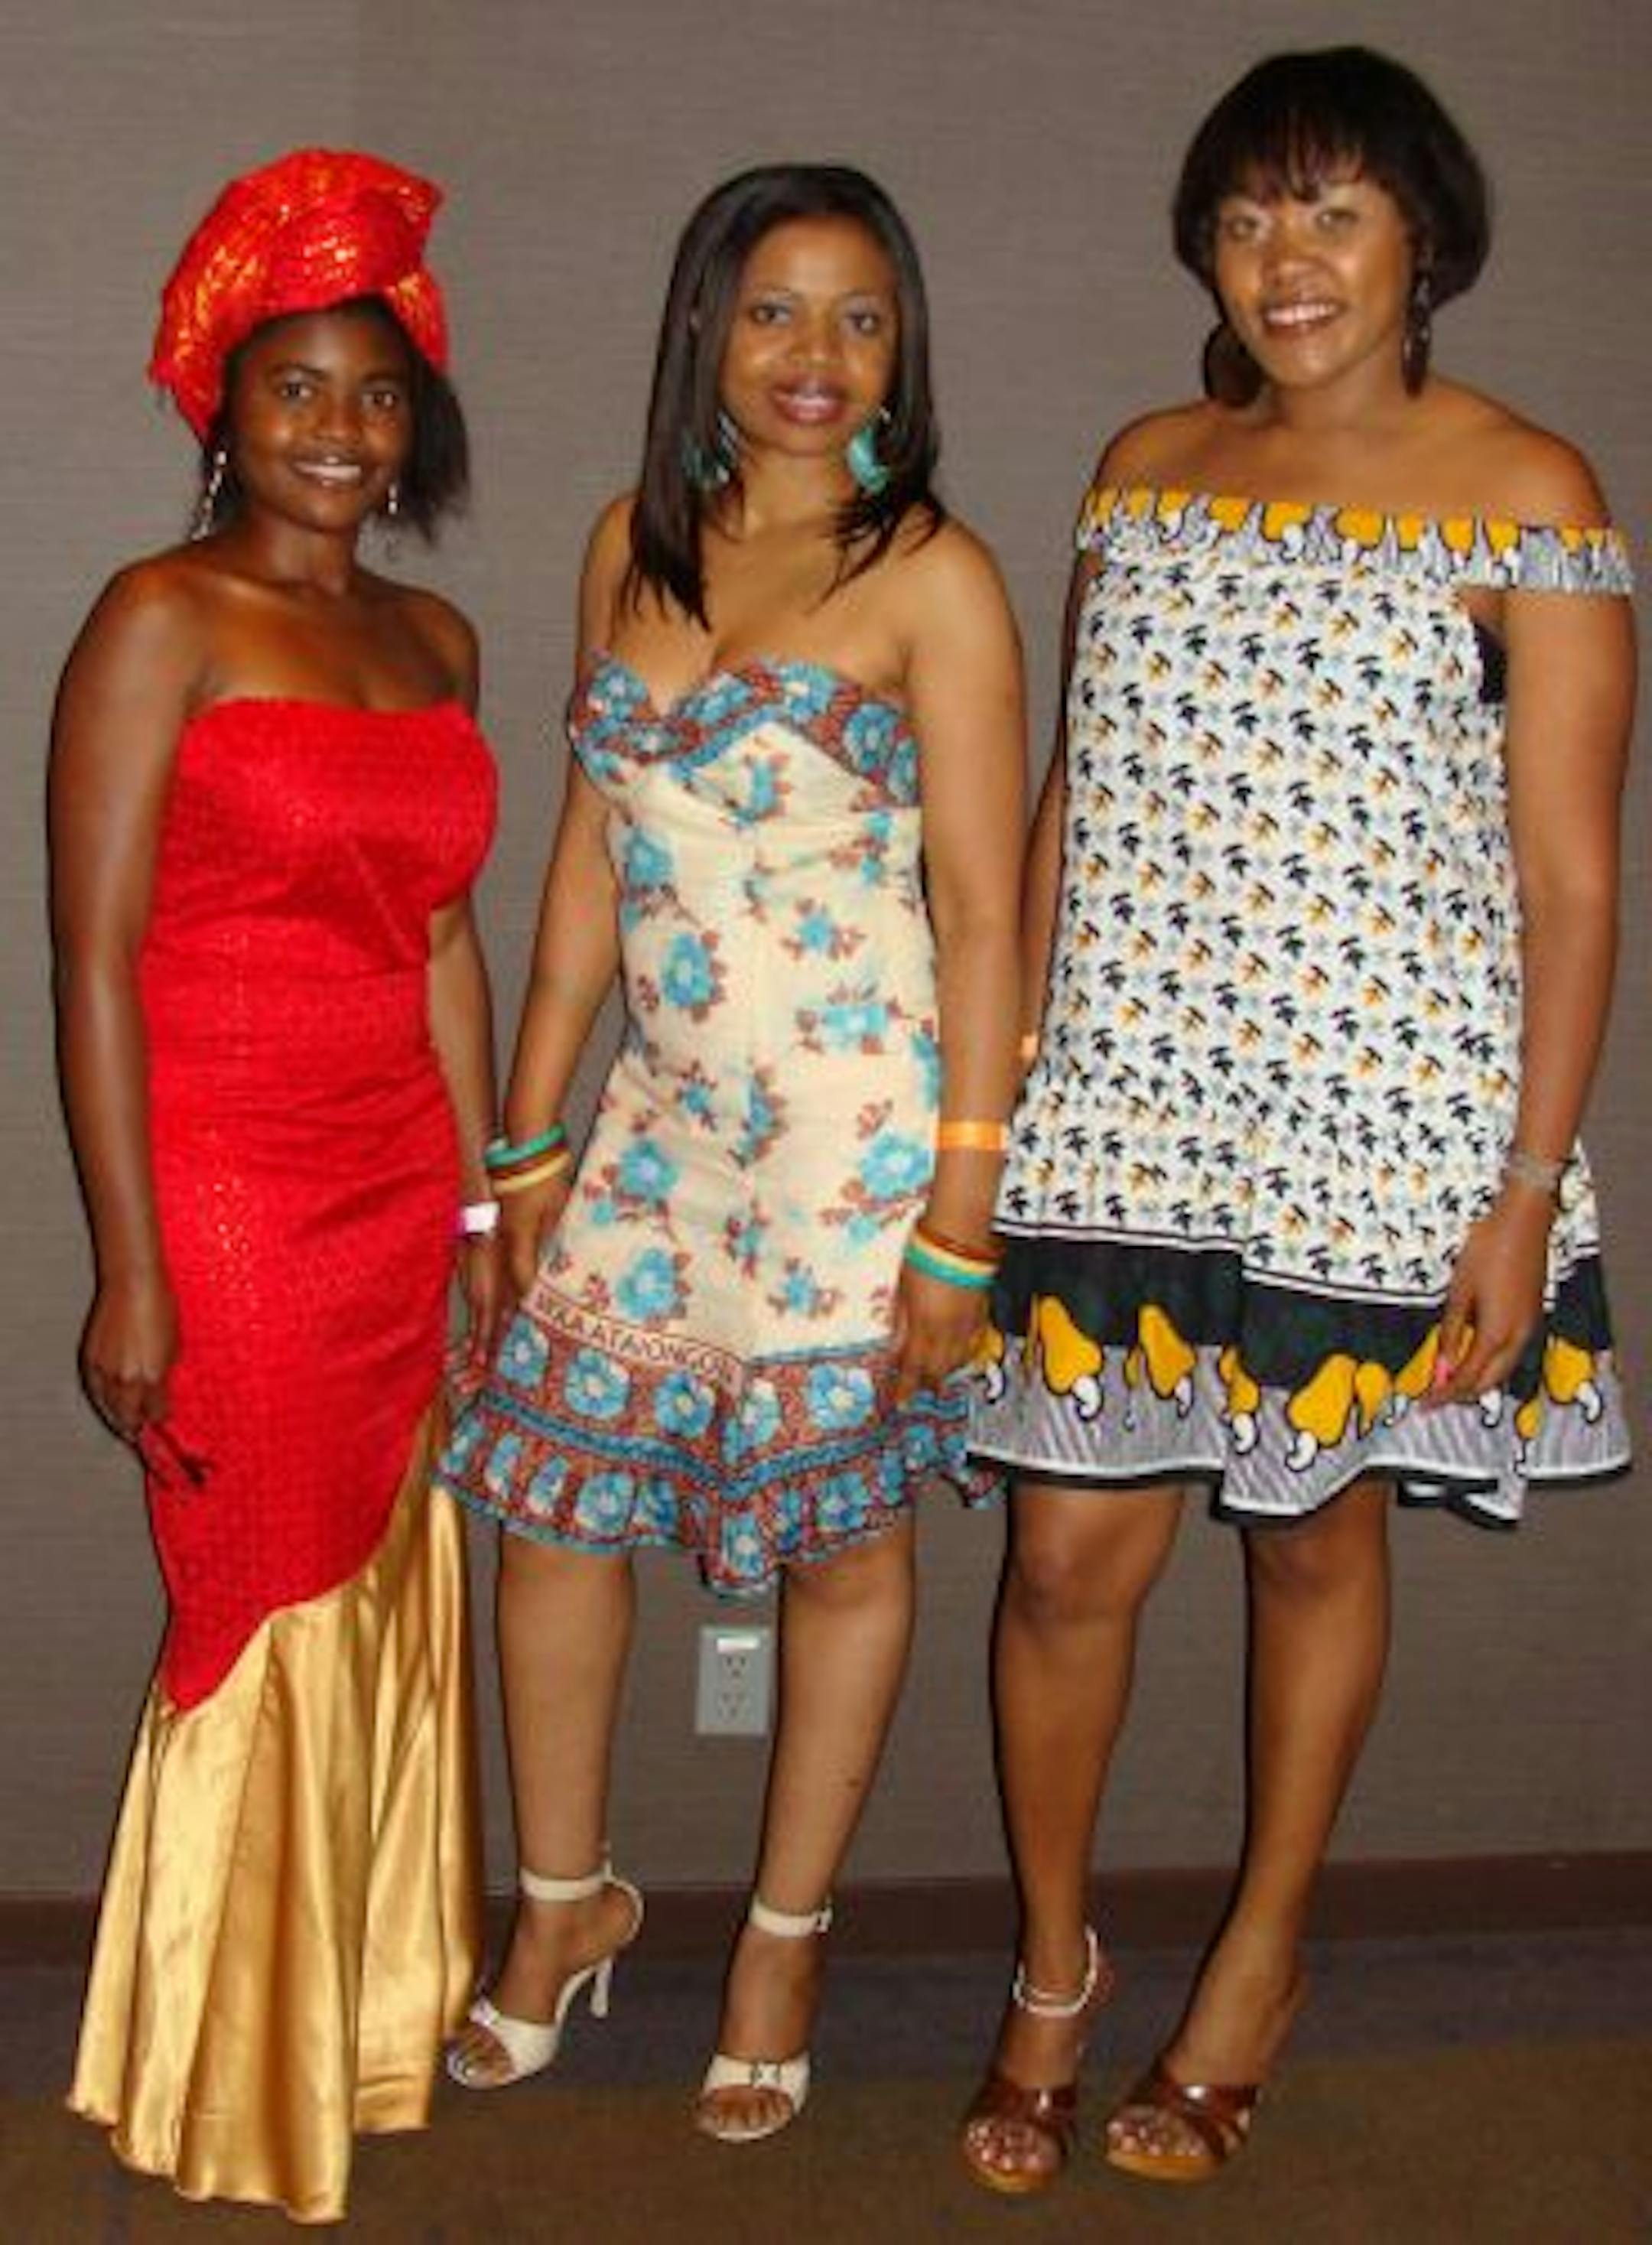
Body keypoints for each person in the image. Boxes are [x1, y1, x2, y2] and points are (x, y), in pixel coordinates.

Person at [963, 46, 1634, 2195]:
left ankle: (1257, 1962)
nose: (1289, 259)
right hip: (1126, 1102)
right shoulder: (1145, 461)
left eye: (1333, 211)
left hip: (1382, 1120)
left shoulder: (1535, 492)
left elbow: (1571, 879)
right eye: (1252, 216)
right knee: (1066, 1554)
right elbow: (1075, 801)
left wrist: (1526, 1190)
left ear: (1423, 234)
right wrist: (988, 1124)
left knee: (1315, 1534)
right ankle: (1054, 1973)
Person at [438, 162, 1025, 2138]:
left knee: (846, 1542)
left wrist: (963, 1205)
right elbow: (594, 843)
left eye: (861, 317)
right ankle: (563, 1900)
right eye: (777, 309)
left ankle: (784, 1932)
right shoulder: (635, 537)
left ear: (901, 348)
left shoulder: (934, 571)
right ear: (707, 325)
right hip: (658, 1132)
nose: (816, 355)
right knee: (550, 1516)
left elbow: (985, 906)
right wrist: (523, 1130)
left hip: (863, 1154)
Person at [52, 150, 499, 2224]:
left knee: (383, 1593)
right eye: (296, 387)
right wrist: (130, 1265)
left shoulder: (435, 637)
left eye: (375, 388)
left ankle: (352, 2022)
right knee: (258, 1593)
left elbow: (442, 939)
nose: (337, 425)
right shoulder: (157, 619)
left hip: (402, 1172)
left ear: (418, 415)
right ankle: (223, 2071)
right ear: (220, 406)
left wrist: (488, 1207)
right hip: (227, 1187)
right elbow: (90, 952)